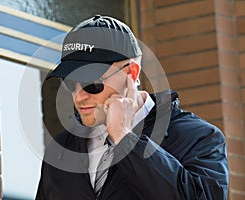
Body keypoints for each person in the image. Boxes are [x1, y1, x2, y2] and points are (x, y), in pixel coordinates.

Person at [36, 15, 229, 200]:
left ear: (131, 73)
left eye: (90, 82)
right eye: (70, 83)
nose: (79, 96)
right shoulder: (61, 151)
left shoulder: (199, 138)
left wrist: (125, 138)